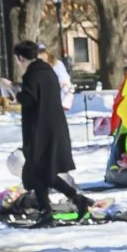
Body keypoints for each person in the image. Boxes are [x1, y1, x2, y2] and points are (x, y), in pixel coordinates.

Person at [13, 40, 88, 226]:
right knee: (42, 173)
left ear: (21, 58)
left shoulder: (32, 75)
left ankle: (55, 208)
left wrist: (13, 91)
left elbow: (29, 99)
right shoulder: (48, 72)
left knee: (39, 171)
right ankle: (62, 206)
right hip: (53, 128)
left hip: (40, 131)